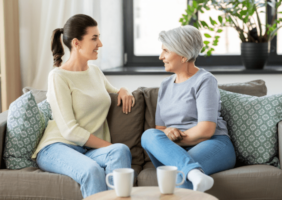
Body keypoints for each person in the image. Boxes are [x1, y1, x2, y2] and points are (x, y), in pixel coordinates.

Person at [32, 14, 134, 198]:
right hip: (57, 147)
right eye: (94, 38)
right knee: (92, 170)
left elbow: (113, 90)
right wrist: (106, 146)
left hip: (86, 150)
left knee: (120, 150)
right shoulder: (58, 76)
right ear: (76, 43)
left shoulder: (94, 71)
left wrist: (124, 90)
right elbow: (69, 130)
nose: (100, 44)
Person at [141, 25, 236, 192]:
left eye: (165, 51)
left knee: (178, 176)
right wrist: (168, 133)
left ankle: (189, 171)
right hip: (176, 150)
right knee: (148, 135)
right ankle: (194, 172)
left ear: (183, 56)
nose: (160, 56)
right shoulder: (164, 85)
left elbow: (206, 130)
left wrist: (173, 140)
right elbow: (160, 129)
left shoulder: (205, 80)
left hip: (213, 144)